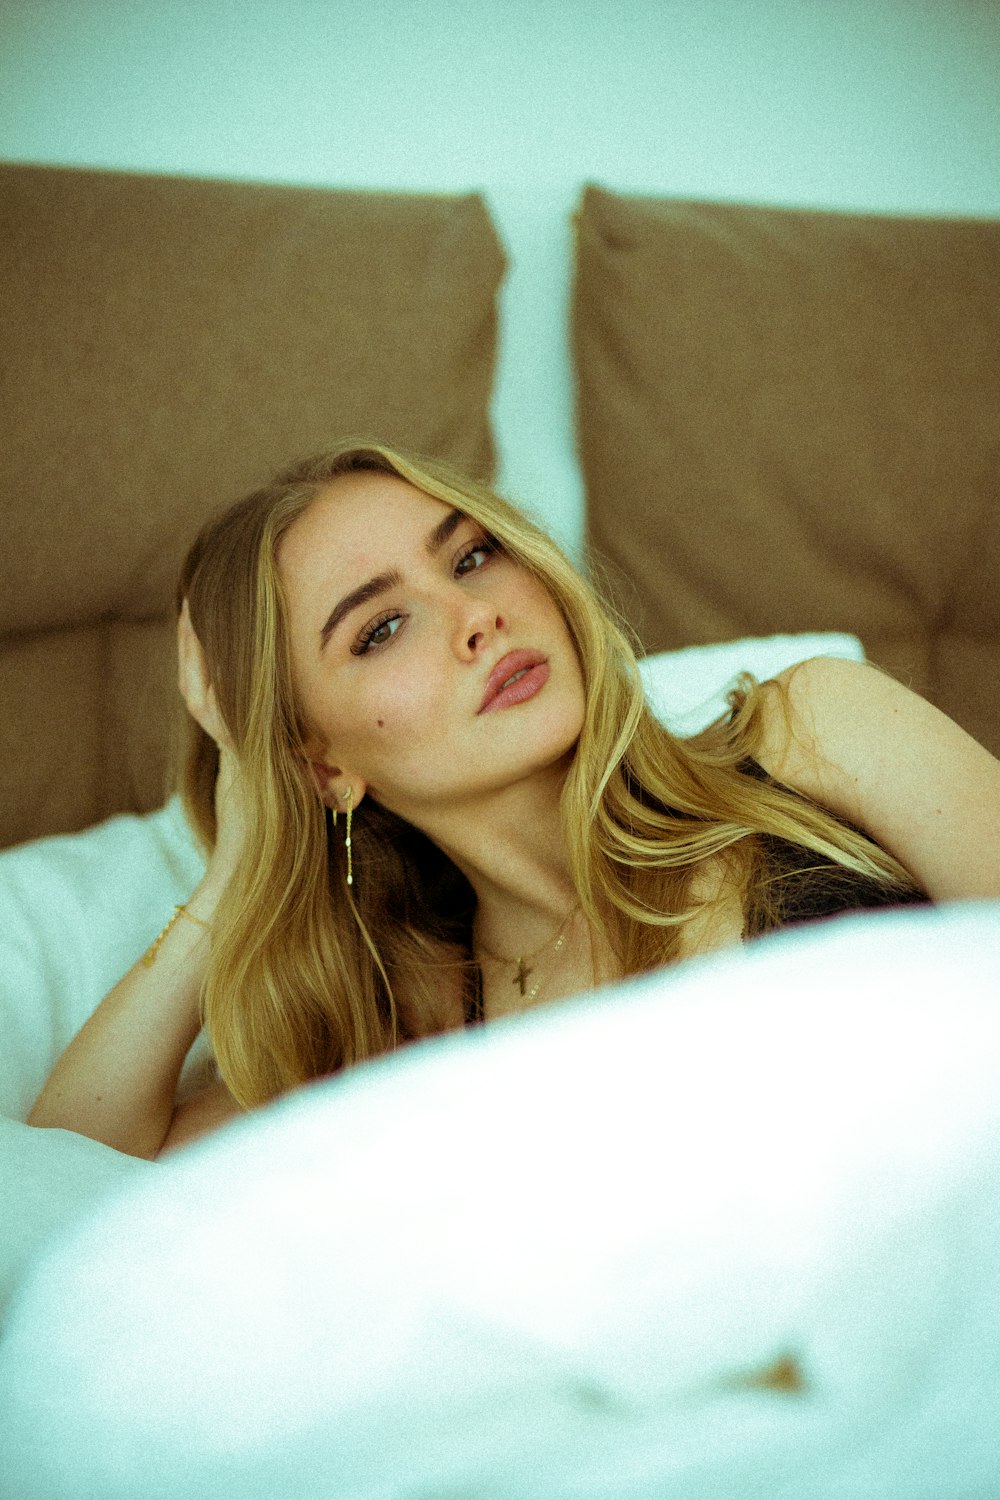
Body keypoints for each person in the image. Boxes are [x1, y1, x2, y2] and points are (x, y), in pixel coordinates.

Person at [28, 443, 1000, 1159]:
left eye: (471, 557)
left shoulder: (810, 736)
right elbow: (71, 1162)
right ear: (321, 765)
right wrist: (239, 867)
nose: (474, 615)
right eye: (381, 628)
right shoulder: (409, 1027)